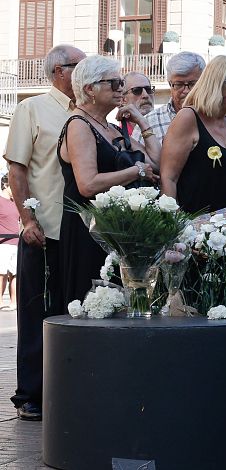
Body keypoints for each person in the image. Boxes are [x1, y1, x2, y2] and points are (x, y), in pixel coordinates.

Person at [4, 43, 86, 420]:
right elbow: (17, 169)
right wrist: (27, 220)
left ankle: (69, 389)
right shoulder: (32, 109)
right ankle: (30, 395)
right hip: (43, 229)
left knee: (72, 311)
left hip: (80, 231)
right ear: (58, 71)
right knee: (36, 311)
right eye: (78, 66)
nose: (85, 73)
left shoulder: (88, 114)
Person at [58, 55, 160, 306]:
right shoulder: (79, 125)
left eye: (121, 83)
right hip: (87, 232)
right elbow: (88, 184)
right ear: (89, 89)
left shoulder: (111, 127)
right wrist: (136, 171)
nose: (121, 89)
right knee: (92, 304)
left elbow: (157, 163)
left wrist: (142, 121)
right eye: (114, 83)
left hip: (113, 231)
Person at [161, 55, 226, 217]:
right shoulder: (188, 118)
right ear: (219, 84)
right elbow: (168, 179)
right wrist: (174, 226)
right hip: (193, 228)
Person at [132, 51, 206, 143]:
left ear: (203, 83)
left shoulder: (215, 118)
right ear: (170, 84)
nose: (186, 91)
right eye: (179, 84)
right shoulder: (149, 123)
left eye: (193, 84)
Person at [0, 182, 19, 311]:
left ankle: (14, 302)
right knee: (2, 273)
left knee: (15, 274)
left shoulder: (15, 202)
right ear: (6, 185)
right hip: (3, 243)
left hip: (16, 242)